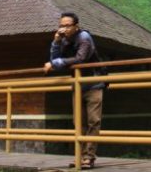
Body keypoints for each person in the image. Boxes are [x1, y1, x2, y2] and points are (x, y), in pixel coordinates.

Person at [44, 12, 105, 169]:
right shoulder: (64, 40)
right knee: (78, 122)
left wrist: (56, 63)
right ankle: (80, 156)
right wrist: (56, 42)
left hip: (93, 83)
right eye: (61, 26)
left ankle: (89, 157)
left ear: (76, 26)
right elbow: (54, 59)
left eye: (67, 26)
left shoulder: (84, 37)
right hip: (78, 85)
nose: (63, 29)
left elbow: (81, 58)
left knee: (93, 121)